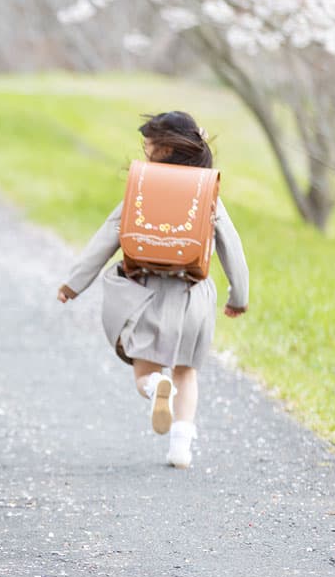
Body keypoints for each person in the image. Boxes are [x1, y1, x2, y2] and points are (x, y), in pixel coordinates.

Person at [57, 111, 248, 468]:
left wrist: (74, 284)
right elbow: (230, 246)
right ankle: (181, 447)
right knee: (187, 371)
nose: (144, 154)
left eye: (147, 147)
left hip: (144, 291)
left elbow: (108, 236)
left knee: (145, 372)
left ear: (162, 149)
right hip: (193, 295)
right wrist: (239, 295)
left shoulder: (142, 187)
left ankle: (154, 387)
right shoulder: (206, 190)